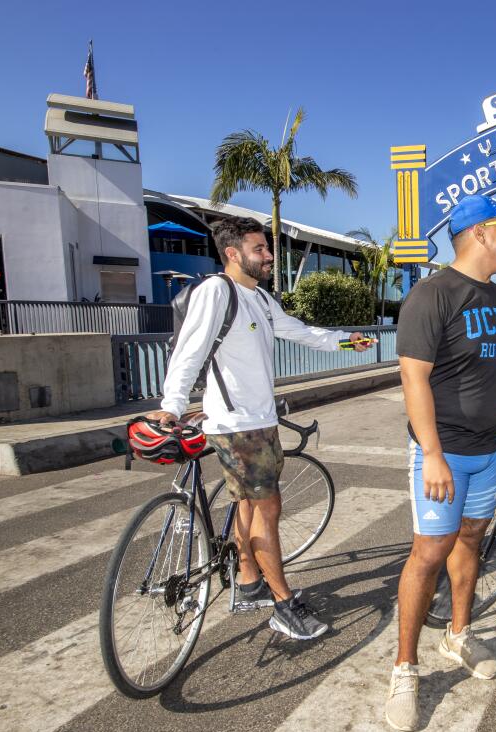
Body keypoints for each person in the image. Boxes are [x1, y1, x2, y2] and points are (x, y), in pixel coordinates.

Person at [145, 216, 372, 640]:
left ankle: (249, 582)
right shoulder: (217, 291)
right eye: (259, 249)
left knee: (249, 507)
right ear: (233, 254)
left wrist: (346, 340)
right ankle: (284, 604)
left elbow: (300, 333)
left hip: (259, 422)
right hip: (237, 426)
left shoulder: (261, 300)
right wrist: (171, 407)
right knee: (267, 510)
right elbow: (189, 352)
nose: (269, 256)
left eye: (267, 249)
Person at [386, 195, 496, 732]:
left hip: (490, 452)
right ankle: (404, 670)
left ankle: (458, 635)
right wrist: (432, 454)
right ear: (480, 232)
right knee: (429, 551)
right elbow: (413, 378)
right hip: (443, 453)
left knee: (470, 541)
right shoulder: (430, 294)